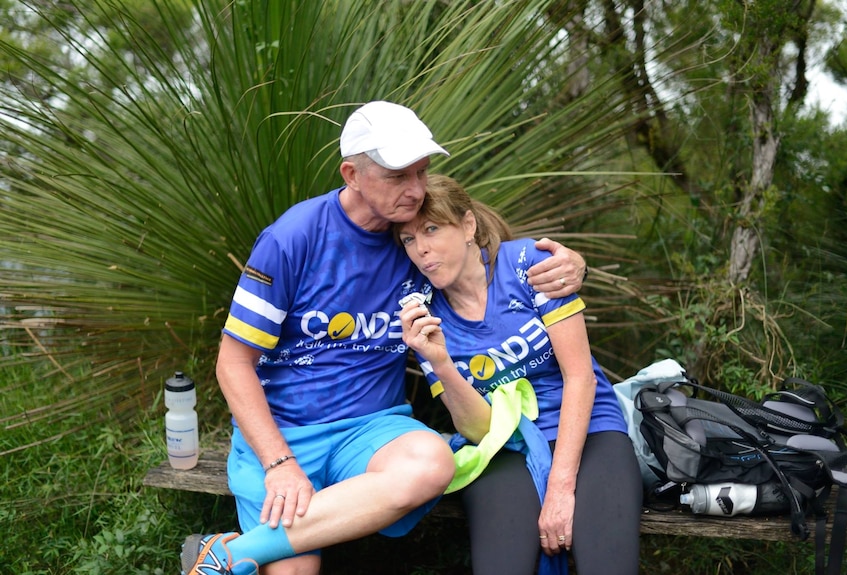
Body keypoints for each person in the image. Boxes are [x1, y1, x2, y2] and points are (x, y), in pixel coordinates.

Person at [180, 101, 588, 575]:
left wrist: (572, 267)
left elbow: (485, 266)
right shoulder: (292, 238)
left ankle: (226, 555)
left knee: (431, 463)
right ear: (351, 174)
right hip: (285, 433)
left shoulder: (416, 242)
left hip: (372, 430)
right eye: (398, 177)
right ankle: (254, 544)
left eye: (422, 172)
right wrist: (279, 464)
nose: (416, 191)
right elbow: (233, 363)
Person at [396, 174, 642, 575]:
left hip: (588, 426)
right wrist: (439, 361)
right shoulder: (423, 314)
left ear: (469, 225)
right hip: (503, 445)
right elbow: (479, 430)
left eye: (432, 229)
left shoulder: (529, 265)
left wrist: (560, 488)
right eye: (408, 239)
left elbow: (581, 377)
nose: (421, 249)